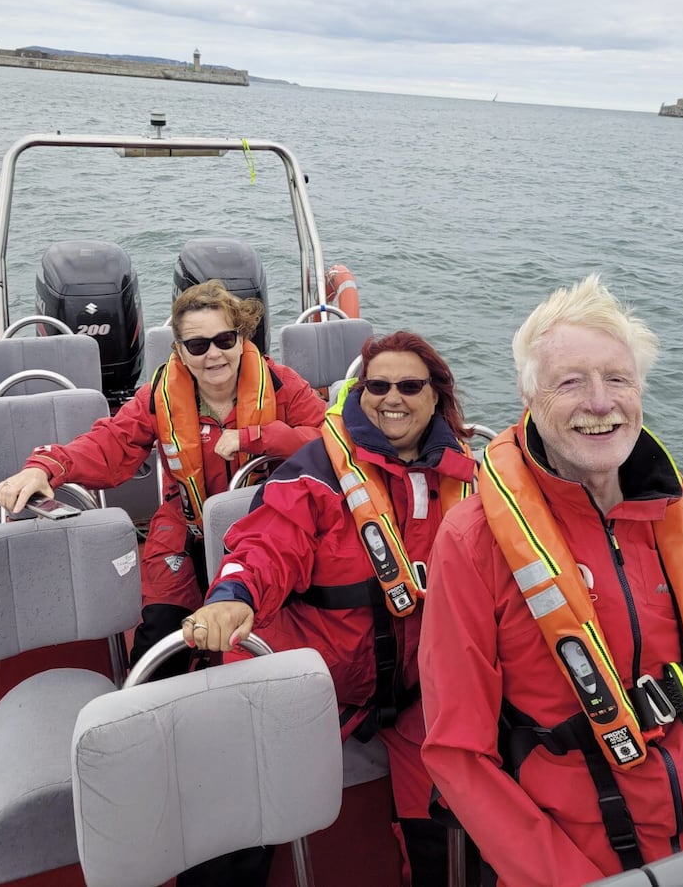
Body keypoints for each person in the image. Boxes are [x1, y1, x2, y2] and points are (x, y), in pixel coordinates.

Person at [418, 274, 683, 887]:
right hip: (575, 868)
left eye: (617, 378)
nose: (600, 402)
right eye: (571, 381)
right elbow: (459, 755)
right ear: (529, 394)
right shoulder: (472, 542)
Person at [183, 331, 478, 886]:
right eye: (377, 385)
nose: (393, 397)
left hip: (415, 692)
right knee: (239, 824)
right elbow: (266, 545)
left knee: (454, 827)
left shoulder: (466, 481)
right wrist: (232, 597)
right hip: (311, 682)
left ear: (436, 396)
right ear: (358, 393)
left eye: (410, 385)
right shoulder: (313, 474)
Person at [0, 279, 327, 670]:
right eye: (198, 345)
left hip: (268, 525)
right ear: (180, 352)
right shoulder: (158, 396)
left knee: (277, 635)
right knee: (158, 642)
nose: (214, 354)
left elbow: (327, 440)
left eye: (224, 339)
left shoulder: (282, 384)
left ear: (241, 339)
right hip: (185, 526)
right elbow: (111, 442)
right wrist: (48, 466)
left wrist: (257, 436)